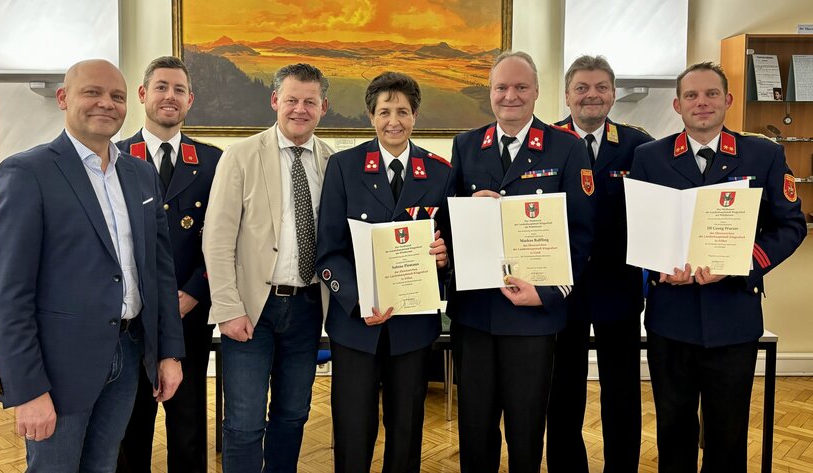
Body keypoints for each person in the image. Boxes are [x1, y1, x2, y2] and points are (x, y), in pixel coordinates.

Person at [0, 59, 184, 472]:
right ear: (64, 98)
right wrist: (27, 389)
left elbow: (158, 273)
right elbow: (8, 294)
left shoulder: (141, 175)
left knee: (104, 464)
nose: (105, 104)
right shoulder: (27, 173)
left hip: (128, 357)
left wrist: (168, 353)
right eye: (92, 92)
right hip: (58, 369)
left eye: (117, 96)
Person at [630, 62, 805, 472]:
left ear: (727, 100)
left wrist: (742, 263)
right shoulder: (649, 158)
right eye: (691, 95)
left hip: (733, 316)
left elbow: (791, 224)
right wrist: (656, 270)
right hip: (670, 318)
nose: (701, 103)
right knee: (673, 426)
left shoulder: (763, 154)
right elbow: (636, 230)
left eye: (711, 94)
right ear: (677, 104)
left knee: (728, 430)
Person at [446, 50, 595, 472]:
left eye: (520, 87)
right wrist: (466, 205)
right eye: (501, 87)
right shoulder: (467, 144)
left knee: (526, 428)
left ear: (536, 93)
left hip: (532, 314)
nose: (510, 96)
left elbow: (582, 235)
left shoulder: (565, 148)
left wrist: (547, 294)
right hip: (475, 312)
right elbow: (447, 220)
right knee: (475, 427)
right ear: (490, 92)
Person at [316, 71, 453, 473]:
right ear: (371, 116)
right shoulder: (344, 167)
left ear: (415, 116)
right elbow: (329, 251)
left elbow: (448, 249)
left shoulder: (439, 172)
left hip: (412, 325)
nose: (394, 120)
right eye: (385, 111)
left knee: (406, 427)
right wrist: (361, 300)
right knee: (353, 429)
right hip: (356, 324)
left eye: (403, 112)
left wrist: (444, 258)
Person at [202, 63, 334, 473]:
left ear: (323, 107)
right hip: (252, 310)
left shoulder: (333, 163)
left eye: (309, 101)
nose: (300, 109)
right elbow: (217, 239)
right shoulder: (240, 156)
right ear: (275, 100)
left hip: (309, 308)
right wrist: (227, 307)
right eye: (291, 99)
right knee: (242, 423)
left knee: (293, 415)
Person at [116, 56, 222, 473]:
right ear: (143, 94)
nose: (169, 96)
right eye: (161, 87)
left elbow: (225, 239)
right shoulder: (117, 157)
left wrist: (196, 291)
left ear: (190, 100)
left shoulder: (214, 162)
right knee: (130, 426)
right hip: (133, 319)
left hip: (189, 315)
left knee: (188, 427)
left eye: (179, 90)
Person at [547, 55, 652, 473]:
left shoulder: (638, 145)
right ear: (567, 94)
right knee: (563, 390)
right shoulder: (548, 141)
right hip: (561, 287)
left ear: (612, 93)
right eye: (582, 87)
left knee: (622, 391)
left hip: (618, 287)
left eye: (601, 87)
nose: (592, 95)